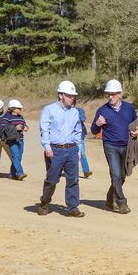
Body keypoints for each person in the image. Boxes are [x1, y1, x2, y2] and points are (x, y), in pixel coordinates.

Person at [90, 79, 138, 214]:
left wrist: (136, 131)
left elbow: (135, 124)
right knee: (115, 174)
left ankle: (109, 198)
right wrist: (97, 124)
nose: (110, 97)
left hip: (126, 146)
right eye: (108, 94)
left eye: (113, 94)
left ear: (119, 94)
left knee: (122, 175)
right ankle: (121, 202)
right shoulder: (102, 110)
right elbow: (94, 131)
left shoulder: (129, 108)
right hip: (110, 146)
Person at [37, 81, 84, 217]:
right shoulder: (49, 110)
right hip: (55, 150)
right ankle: (45, 202)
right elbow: (44, 129)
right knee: (52, 179)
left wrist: (79, 150)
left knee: (73, 179)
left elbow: (77, 132)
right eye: (69, 95)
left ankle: (72, 207)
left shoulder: (75, 112)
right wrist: (47, 147)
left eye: (73, 96)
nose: (72, 98)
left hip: (72, 149)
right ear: (61, 95)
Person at [0, 99, 29, 180]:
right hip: (12, 140)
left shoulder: (21, 117)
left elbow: (24, 124)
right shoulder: (6, 117)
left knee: (18, 157)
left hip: (20, 139)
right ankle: (20, 173)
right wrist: (15, 128)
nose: (20, 109)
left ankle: (12, 174)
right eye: (19, 108)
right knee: (15, 156)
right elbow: (3, 128)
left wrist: (26, 128)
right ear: (13, 109)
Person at [75, 101, 92, 178]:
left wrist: (73, 114)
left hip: (80, 136)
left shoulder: (79, 111)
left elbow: (83, 118)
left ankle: (86, 171)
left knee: (82, 153)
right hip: (68, 136)